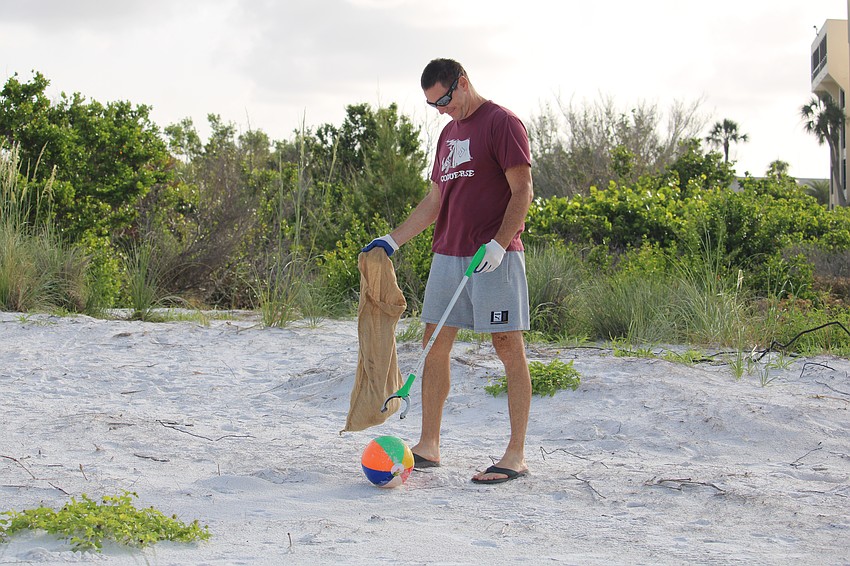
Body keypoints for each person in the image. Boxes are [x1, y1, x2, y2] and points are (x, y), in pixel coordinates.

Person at [362, 58, 534, 484]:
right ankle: (429, 445)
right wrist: (393, 240)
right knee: (433, 344)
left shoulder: (502, 123)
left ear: (462, 82)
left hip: (494, 256)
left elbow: (523, 189)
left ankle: (515, 455)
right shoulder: (448, 134)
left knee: (508, 346)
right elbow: (435, 200)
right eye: (432, 104)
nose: (441, 109)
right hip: (448, 255)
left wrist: (498, 241)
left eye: (444, 99)